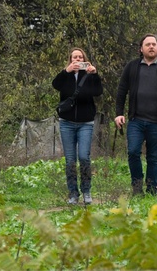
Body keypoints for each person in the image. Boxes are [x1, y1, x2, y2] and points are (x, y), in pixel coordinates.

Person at [114, 35, 157, 195]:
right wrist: (118, 113)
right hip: (136, 120)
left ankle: (151, 191)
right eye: (148, 44)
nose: (151, 47)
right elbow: (122, 90)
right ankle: (137, 188)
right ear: (141, 48)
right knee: (133, 152)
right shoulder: (132, 67)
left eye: (154, 44)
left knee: (153, 157)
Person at [52, 47, 103, 205]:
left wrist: (95, 74)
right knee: (70, 160)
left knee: (83, 157)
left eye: (80, 57)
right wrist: (66, 71)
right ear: (70, 60)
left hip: (85, 123)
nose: (77, 60)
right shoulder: (65, 75)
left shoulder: (88, 75)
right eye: (75, 57)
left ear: (84, 59)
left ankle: (86, 190)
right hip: (66, 122)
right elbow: (55, 85)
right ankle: (73, 193)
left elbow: (98, 91)